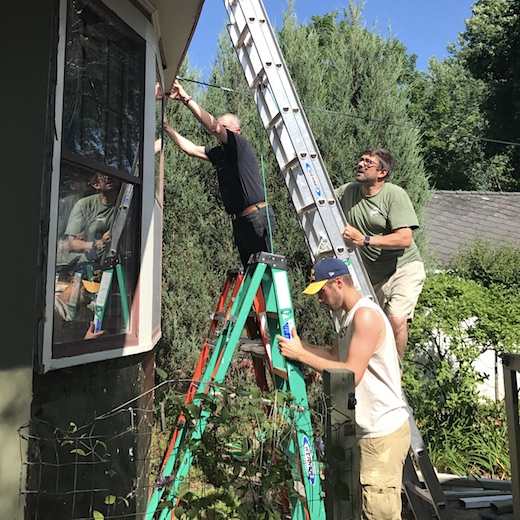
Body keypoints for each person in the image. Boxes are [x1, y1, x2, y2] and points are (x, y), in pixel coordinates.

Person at [277, 257, 410, 520]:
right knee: (357, 507)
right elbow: (333, 356)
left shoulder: (366, 316)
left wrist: (302, 356)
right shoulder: (347, 318)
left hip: (381, 432)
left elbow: (350, 374)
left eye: (321, 291)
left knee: (378, 511)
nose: (319, 299)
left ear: (338, 283)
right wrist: (299, 347)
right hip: (363, 430)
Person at [164, 78, 275, 268]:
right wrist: (166, 127)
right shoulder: (220, 154)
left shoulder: (240, 146)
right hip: (241, 221)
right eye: (221, 127)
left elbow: (213, 126)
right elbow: (191, 149)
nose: (220, 131)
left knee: (263, 274)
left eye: (226, 127)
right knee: (250, 275)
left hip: (257, 218)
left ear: (237, 131)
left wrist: (186, 98)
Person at [336, 148, 425, 359]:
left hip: (403, 268)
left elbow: (405, 239)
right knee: (367, 326)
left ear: (382, 173)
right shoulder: (349, 191)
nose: (360, 164)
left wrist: (364, 239)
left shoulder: (394, 195)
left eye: (368, 163)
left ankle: (397, 369)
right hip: (372, 276)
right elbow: (320, 194)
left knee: (396, 319)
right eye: (360, 160)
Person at [65, 172, 122, 263]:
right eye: (103, 176)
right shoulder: (85, 205)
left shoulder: (125, 205)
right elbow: (71, 244)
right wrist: (98, 244)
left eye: (111, 173)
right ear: (96, 184)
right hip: (90, 264)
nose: (108, 177)